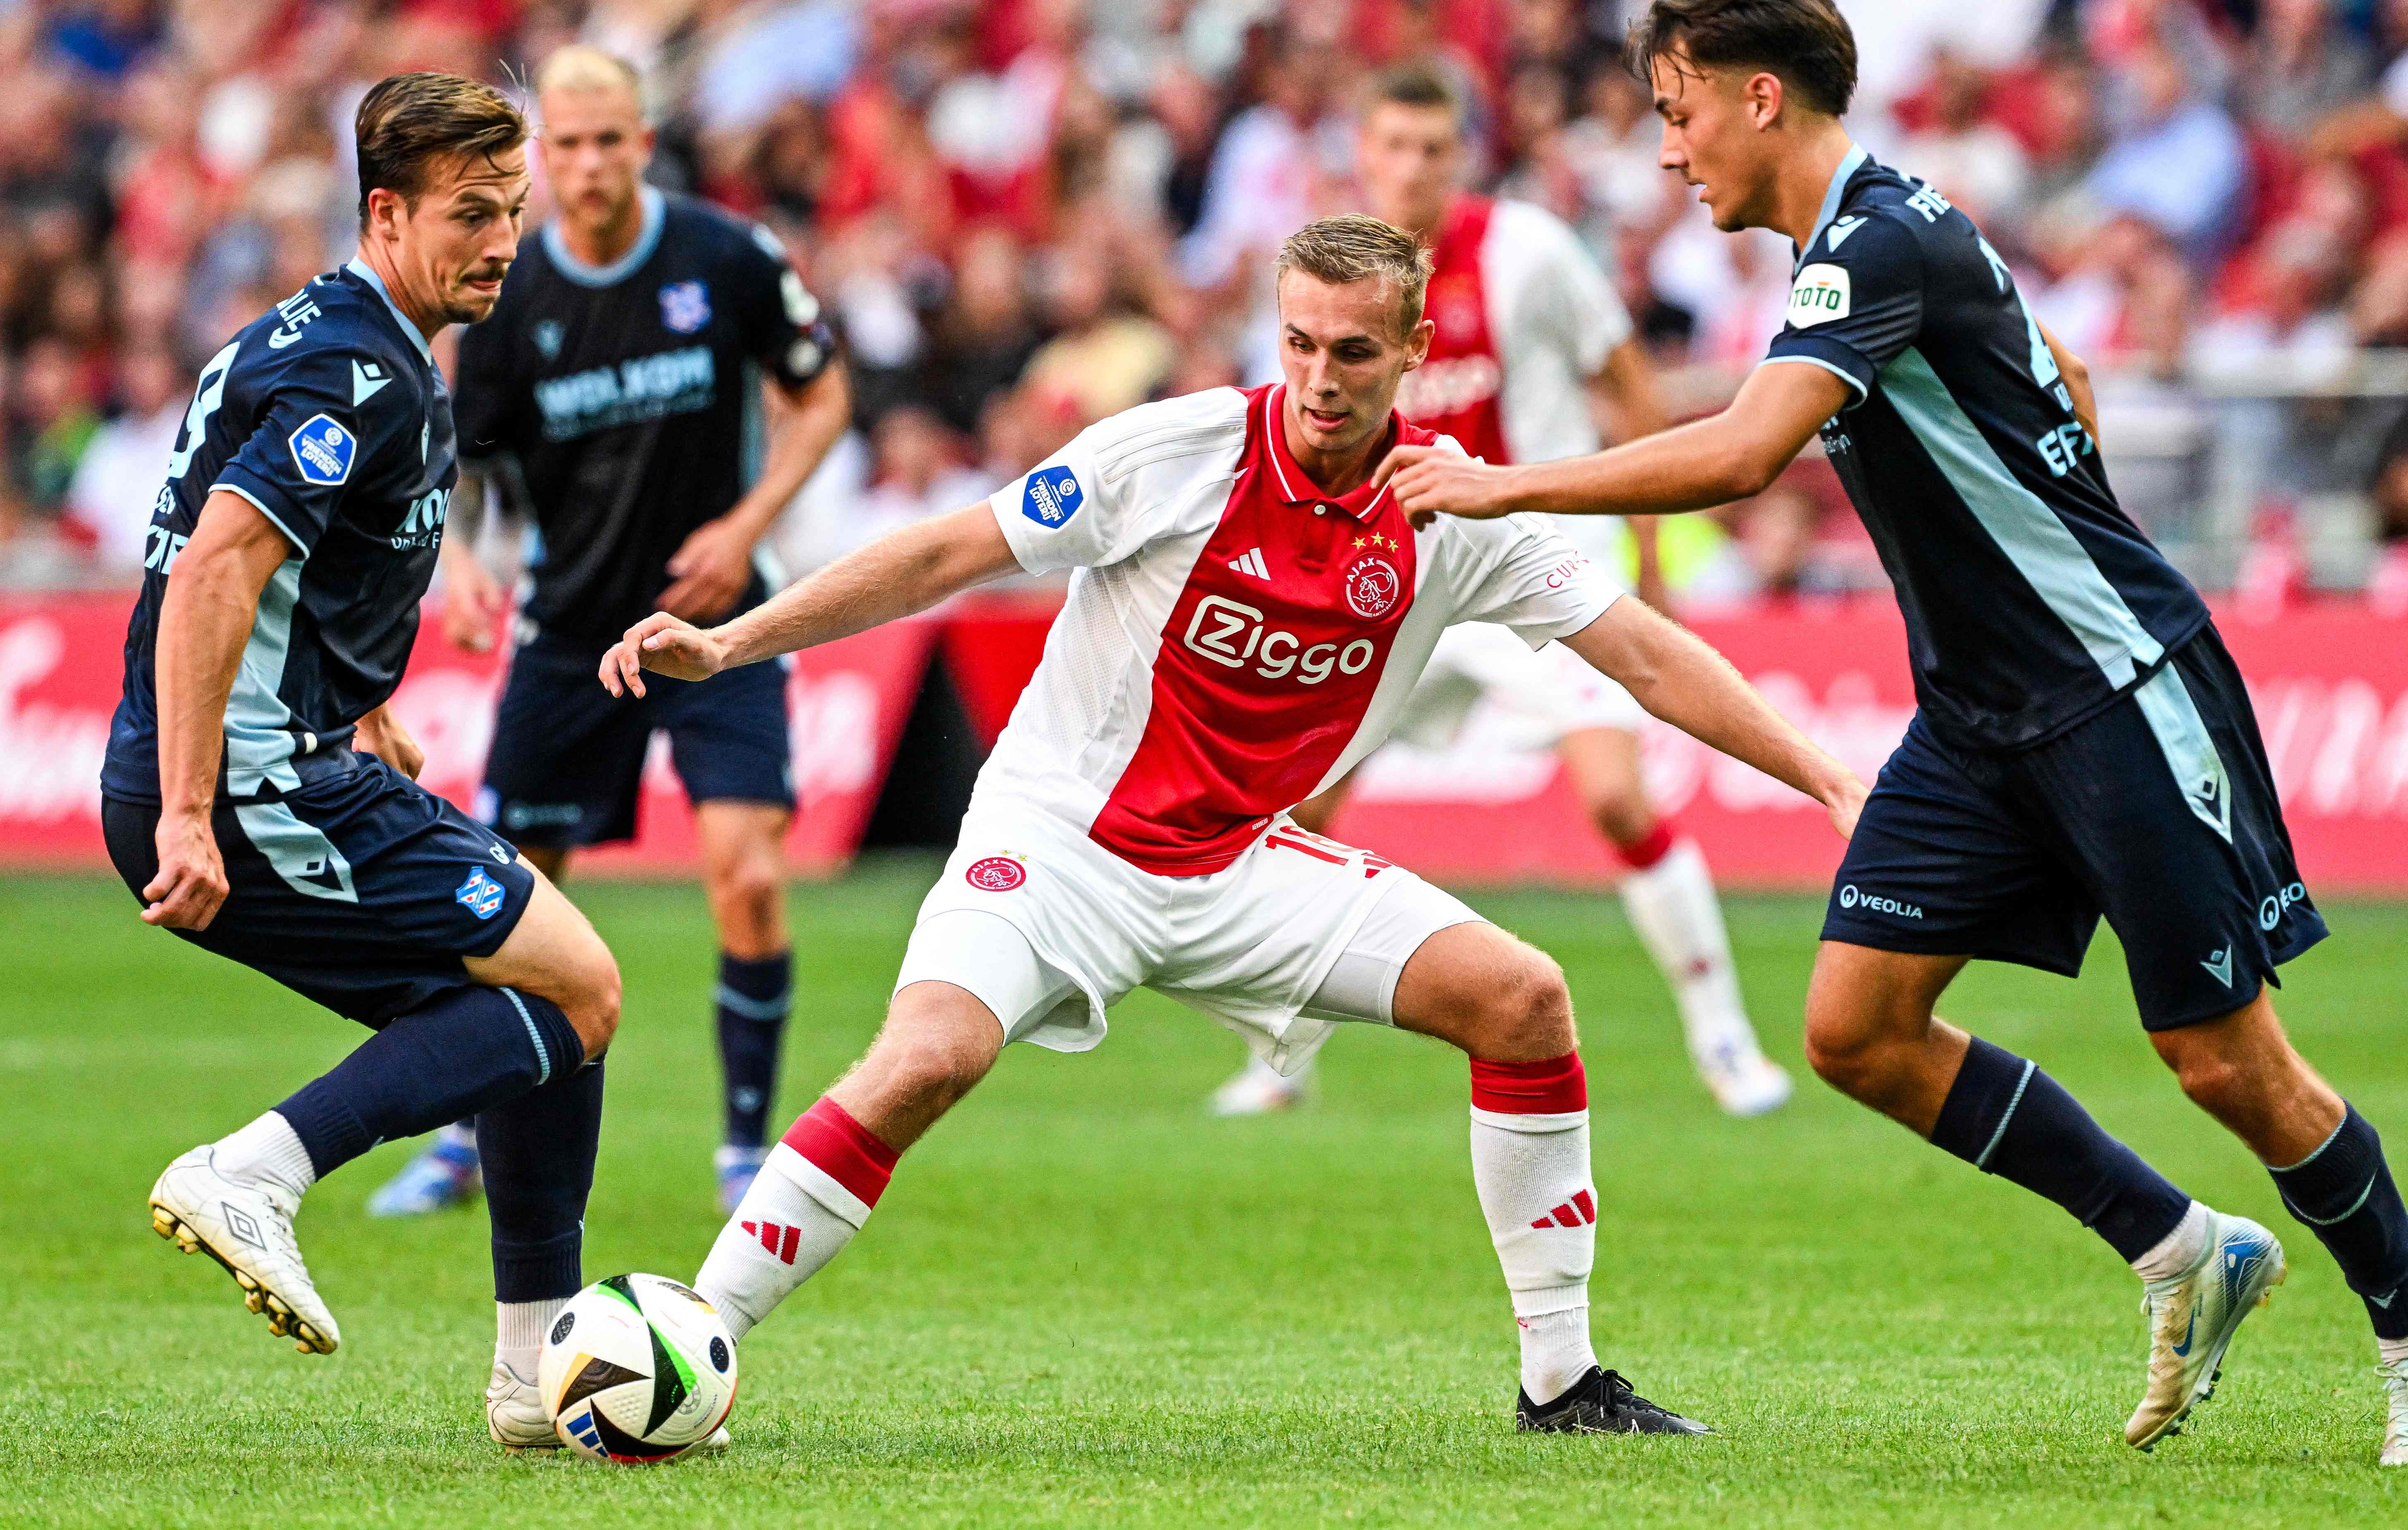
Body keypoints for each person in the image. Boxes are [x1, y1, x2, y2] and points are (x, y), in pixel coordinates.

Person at [1377, 0, 2408, 1468]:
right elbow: (2060, 367)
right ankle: (2183, 1249)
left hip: (2113, 690)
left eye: (1679, 111)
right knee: (1856, 1029)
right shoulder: (1880, 231)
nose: (1667, 148)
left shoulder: (1874, 241)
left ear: (1760, 97)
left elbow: (1744, 454)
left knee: (2226, 1062)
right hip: (1976, 716)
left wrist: (1501, 484)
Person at [601, 215, 1868, 1436]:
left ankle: (1563, 1380)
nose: (1320, 377)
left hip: (1238, 862)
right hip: (1058, 841)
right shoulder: (1177, 450)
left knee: (1523, 999)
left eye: (1354, 350)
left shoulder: (1459, 512)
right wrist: (732, 642)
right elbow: (946, 554)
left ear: (1415, 351)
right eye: (1299, 342)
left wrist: (1824, 778)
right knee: (929, 1057)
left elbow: (1646, 655)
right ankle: (689, 1339)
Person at [98, 72, 625, 1452]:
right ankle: (255, 1171)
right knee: (577, 986)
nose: (502, 241)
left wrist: (362, 702)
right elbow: (215, 566)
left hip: (283, 752)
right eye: (470, 213)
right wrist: (194, 810)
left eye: (512, 211)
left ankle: (536, 1376)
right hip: (245, 781)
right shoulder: (359, 372)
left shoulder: (355, 338)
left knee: (548, 988)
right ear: (385, 212)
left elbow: (298, 571)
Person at [1207, 62, 1790, 1119]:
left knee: (1615, 798)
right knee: (1301, 809)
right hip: (1394, 579)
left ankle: (1724, 1042)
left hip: (1535, 562)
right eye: (1393, 147)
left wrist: (1649, 558)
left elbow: (1628, 386)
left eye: (1432, 149)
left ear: (1460, 156)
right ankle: (1277, 1059)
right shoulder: (1327, 277)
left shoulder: (1528, 250)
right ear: (1362, 154)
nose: (1412, 169)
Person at [365, 47, 849, 1221]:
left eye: (607, 141)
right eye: (567, 145)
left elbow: (823, 395)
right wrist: (464, 563)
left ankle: (745, 1151)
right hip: (572, 634)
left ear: (643, 142)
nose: (587, 165)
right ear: (545, 156)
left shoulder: (726, 257)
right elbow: (468, 465)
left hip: (719, 624)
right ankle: (466, 1141)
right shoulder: (510, 288)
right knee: (510, 900)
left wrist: (744, 526)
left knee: (749, 877)